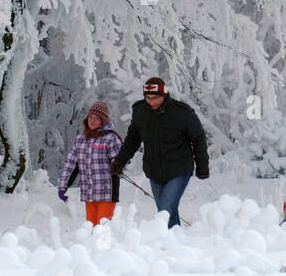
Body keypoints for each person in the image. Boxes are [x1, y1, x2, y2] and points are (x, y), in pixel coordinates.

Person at [109, 77, 209, 228]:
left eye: (155, 98)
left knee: (165, 211)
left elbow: (198, 138)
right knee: (168, 211)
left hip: (179, 169)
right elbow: (132, 139)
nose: (151, 102)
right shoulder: (140, 111)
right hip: (154, 171)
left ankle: (164, 244)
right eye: (148, 98)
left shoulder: (182, 113)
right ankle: (175, 241)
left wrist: (202, 167)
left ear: (164, 95)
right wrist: (120, 161)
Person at [57, 101, 123, 226]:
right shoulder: (81, 139)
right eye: (90, 117)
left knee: (103, 229)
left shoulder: (111, 138)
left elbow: (121, 161)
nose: (92, 121)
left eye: (97, 118)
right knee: (91, 228)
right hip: (89, 192)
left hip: (107, 191)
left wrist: (118, 164)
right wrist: (63, 186)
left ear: (103, 121)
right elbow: (71, 163)